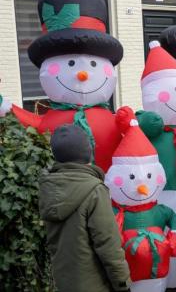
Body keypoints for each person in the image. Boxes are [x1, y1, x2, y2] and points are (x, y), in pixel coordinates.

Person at [39, 124, 131, 292]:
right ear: (89, 153)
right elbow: (108, 246)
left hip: (65, 281)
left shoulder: (49, 187)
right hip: (95, 284)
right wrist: (122, 284)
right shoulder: (95, 190)